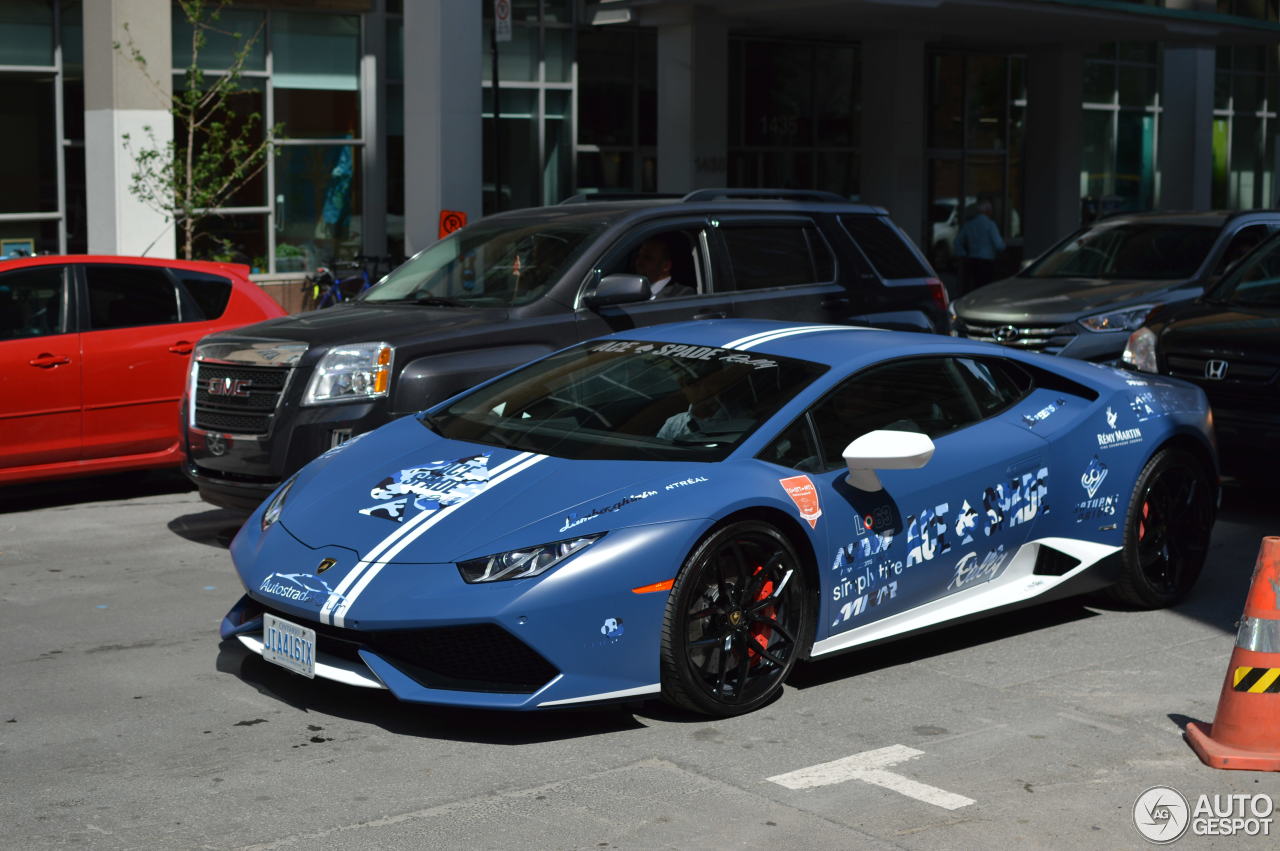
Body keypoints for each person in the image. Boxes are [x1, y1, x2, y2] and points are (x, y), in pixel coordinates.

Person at [953, 199, 1005, 294]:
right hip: (986, 261)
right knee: (985, 287)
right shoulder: (990, 225)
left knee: (974, 286)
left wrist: (963, 254)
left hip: (972, 259)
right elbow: (999, 245)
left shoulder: (969, 224)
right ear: (988, 211)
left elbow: (957, 241)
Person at [633, 234, 695, 298]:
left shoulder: (682, 294)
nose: (639, 262)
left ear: (666, 266)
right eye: (638, 256)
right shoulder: (633, 290)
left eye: (647, 258)